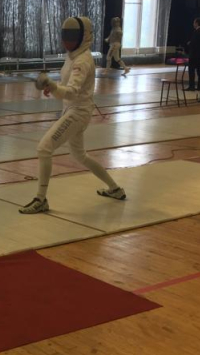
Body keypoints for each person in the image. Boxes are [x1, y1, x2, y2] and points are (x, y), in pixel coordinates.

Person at [19, 16, 126, 214]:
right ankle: (115, 188)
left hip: (78, 112)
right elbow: (65, 88)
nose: (66, 40)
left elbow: (72, 92)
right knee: (80, 155)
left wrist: (52, 86)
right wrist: (53, 88)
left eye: (71, 36)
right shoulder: (73, 56)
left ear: (83, 36)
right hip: (72, 110)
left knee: (44, 148)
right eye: (65, 35)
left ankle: (41, 199)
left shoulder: (82, 61)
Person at [186, 18, 200, 92]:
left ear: (197, 23)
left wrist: (189, 43)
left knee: (191, 70)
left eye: (194, 22)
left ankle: (191, 86)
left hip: (194, 54)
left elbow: (194, 42)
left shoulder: (197, 32)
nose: (193, 24)